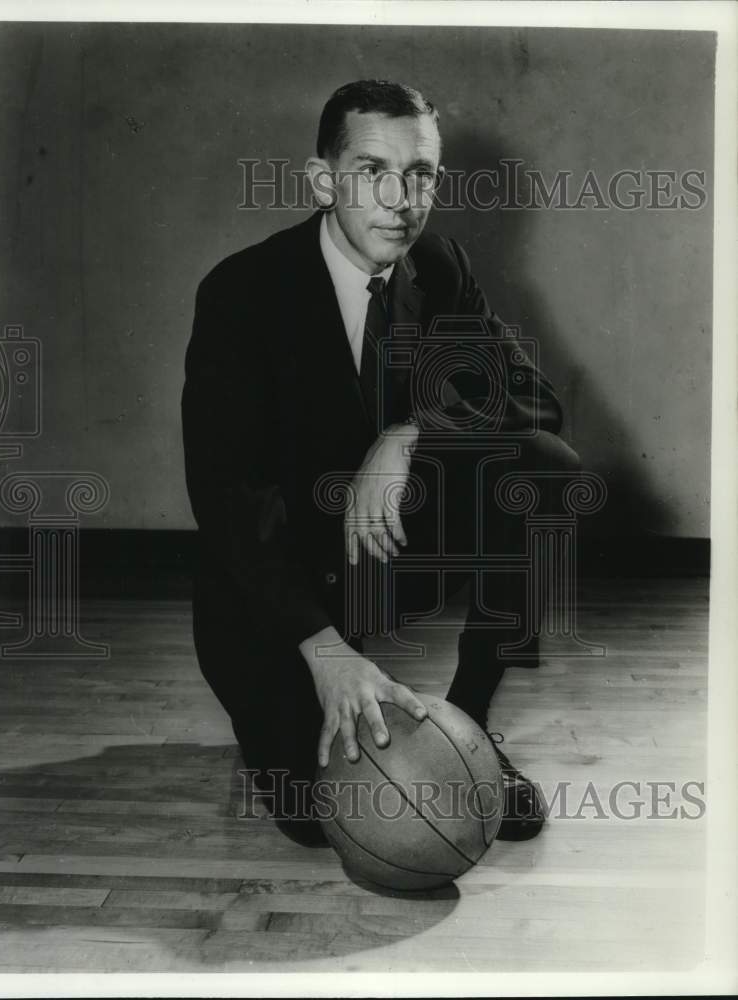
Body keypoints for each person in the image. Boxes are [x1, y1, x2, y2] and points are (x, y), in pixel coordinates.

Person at [181, 80, 580, 845]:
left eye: (422, 173)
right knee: (321, 823)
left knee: (544, 469)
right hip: (275, 585)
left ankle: (468, 725)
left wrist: (409, 435)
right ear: (323, 180)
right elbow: (228, 497)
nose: (402, 199)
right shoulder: (243, 293)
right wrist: (326, 653)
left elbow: (533, 402)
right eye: (372, 170)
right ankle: (292, 707)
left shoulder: (438, 265)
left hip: (383, 554)